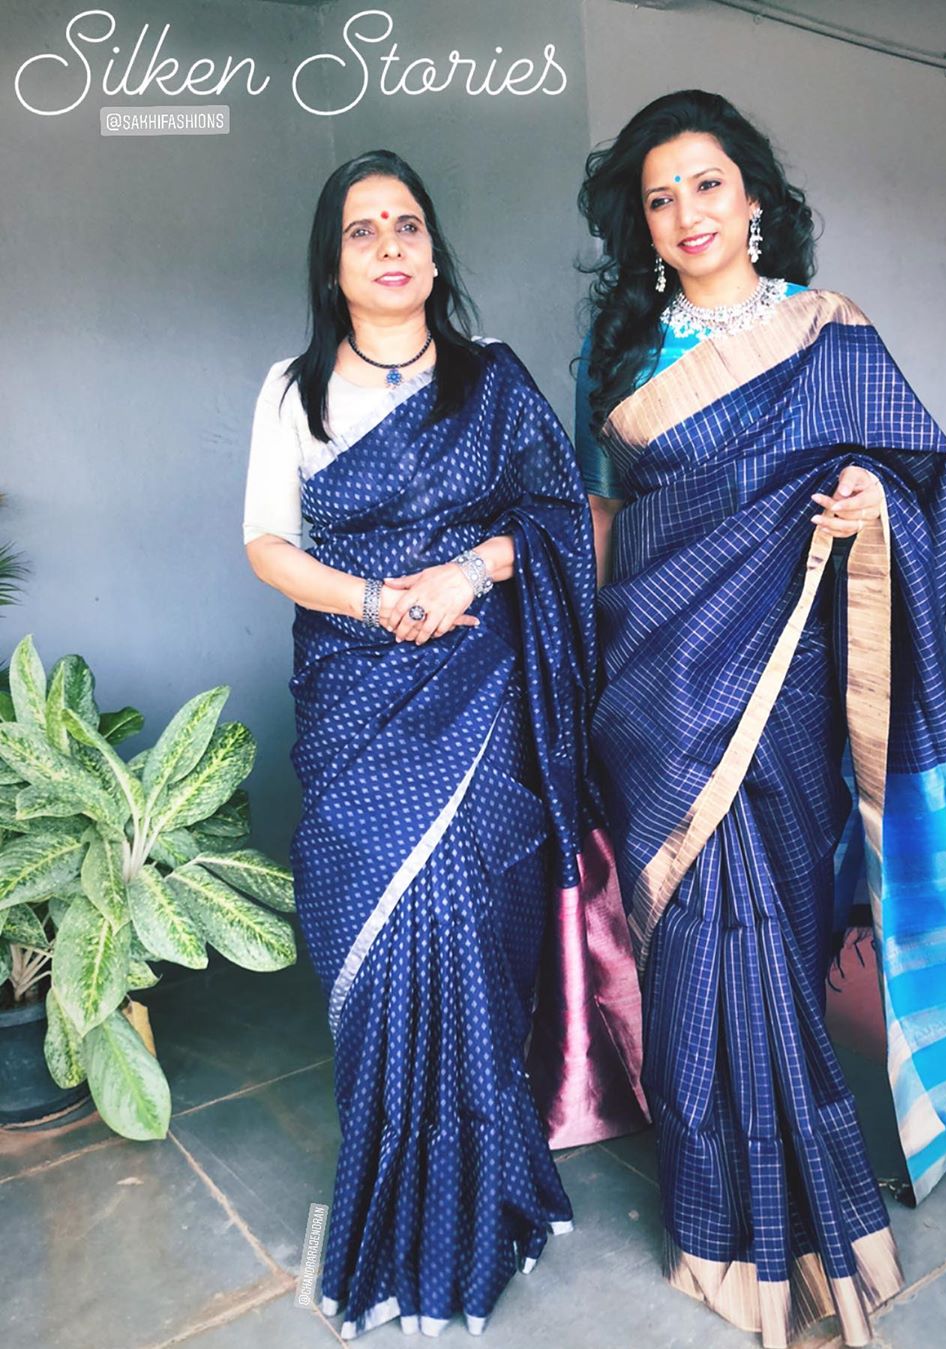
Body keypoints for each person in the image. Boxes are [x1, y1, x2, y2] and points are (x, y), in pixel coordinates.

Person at [574, 90, 946, 1349]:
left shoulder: (833, 335)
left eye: (708, 184)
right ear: (642, 226)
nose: (687, 214)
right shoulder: (625, 358)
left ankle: (798, 1216)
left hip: (787, 687)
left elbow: (911, 473)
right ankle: (722, 1221)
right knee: (699, 948)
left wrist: (869, 495)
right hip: (657, 692)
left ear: (755, 197)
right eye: (660, 197)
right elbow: (611, 529)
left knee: (769, 934)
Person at [243, 149, 610, 1339]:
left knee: (454, 908)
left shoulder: (490, 383)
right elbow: (266, 542)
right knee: (370, 916)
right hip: (355, 687)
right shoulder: (292, 390)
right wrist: (377, 602)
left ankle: (483, 1191)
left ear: (434, 252)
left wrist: (462, 569)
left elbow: (559, 520)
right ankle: (397, 1196)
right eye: (364, 229)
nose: (392, 243)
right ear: (334, 261)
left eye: (409, 224)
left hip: (478, 686)